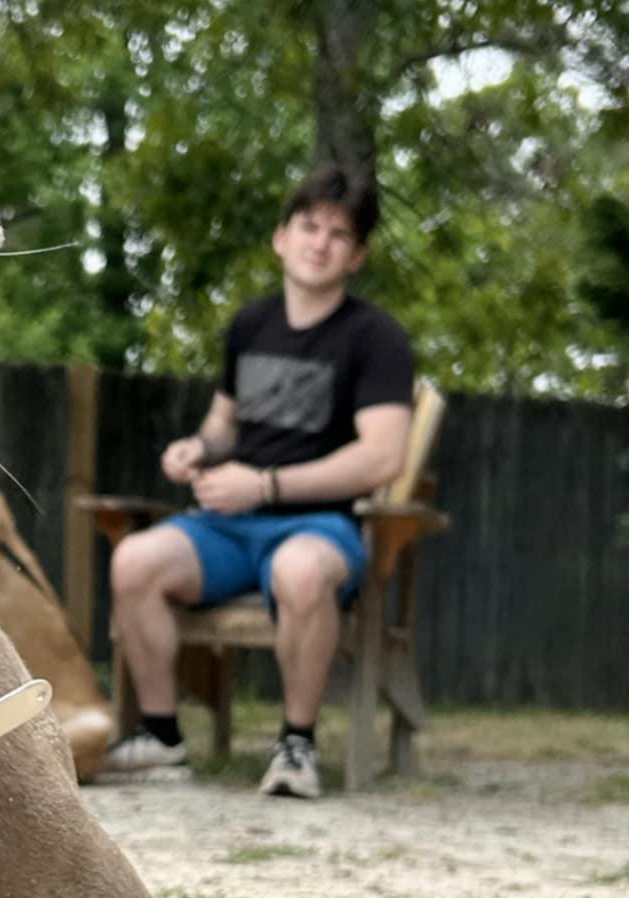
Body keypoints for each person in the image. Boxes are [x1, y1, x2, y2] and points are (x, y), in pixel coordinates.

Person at [105, 164, 414, 798]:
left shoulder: (376, 339)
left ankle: (296, 747)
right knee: (134, 559)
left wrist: (266, 487)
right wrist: (198, 448)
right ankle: (162, 738)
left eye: (337, 234)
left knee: (300, 573)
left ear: (355, 256)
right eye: (308, 226)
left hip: (319, 524)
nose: (319, 242)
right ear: (282, 238)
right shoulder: (250, 325)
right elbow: (225, 425)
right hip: (229, 523)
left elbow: (383, 458)